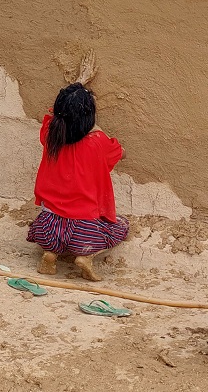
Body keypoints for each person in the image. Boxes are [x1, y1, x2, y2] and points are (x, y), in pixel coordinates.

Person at [27, 83, 129, 281]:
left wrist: (72, 93)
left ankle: (50, 253)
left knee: (43, 230)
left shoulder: (51, 136)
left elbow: (51, 117)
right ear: (89, 118)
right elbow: (122, 153)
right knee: (121, 226)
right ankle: (86, 256)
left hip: (48, 229)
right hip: (83, 233)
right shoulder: (98, 142)